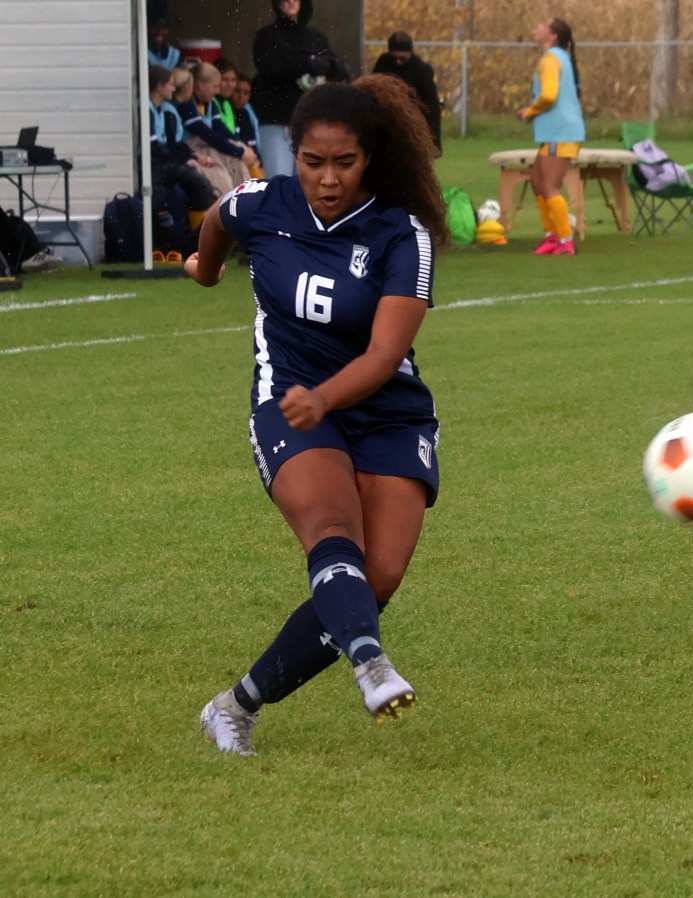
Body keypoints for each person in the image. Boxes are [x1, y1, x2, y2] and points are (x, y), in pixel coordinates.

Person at [186, 74, 449, 757]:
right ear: (291, 152)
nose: (328, 179)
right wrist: (206, 270)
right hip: (289, 401)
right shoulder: (261, 202)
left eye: (345, 163)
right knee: (332, 532)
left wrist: (327, 397)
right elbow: (217, 223)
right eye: (312, 161)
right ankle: (371, 664)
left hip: (385, 410)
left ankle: (233, 706)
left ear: (370, 159)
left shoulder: (401, 235)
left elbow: (386, 353)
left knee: (377, 577)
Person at [252, 0, 351, 178]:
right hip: (278, 122)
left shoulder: (316, 36)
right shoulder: (267, 36)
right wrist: (307, 63)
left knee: (308, 182)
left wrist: (327, 66)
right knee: (278, 181)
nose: (290, 1)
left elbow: (339, 69)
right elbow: (270, 69)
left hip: (311, 124)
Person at [516, 18, 585, 257]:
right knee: (537, 181)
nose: (537, 27)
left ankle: (566, 241)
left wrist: (530, 111)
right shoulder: (558, 56)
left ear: (553, 36)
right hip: (555, 133)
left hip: (561, 132)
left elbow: (548, 95)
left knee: (550, 186)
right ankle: (552, 236)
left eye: (542, 25)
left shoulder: (551, 59)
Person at [148, 65, 215, 236]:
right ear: (159, 86)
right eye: (170, 84)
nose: (173, 88)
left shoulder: (161, 109)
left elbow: (172, 145)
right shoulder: (147, 110)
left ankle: (195, 236)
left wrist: (191, 155)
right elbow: (154, 148)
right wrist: (179, 160)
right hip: (154, 167)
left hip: (162, 162)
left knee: (187, 190)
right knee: (199, 184)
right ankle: (199, 238)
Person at [176, 62, 258, 196]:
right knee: (222, 179)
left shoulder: (209, 104)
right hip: (193, 149)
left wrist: (242, 148)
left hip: (208, 148)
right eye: (215, 86)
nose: (217, 91)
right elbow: (206, 134)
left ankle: (249, 200)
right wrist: (238, 152)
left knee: (239, 166)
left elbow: (221, 130)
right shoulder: (187, 104)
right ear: (200, 86)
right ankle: (227, 206)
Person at [373, 31, 443, 152]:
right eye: (394, 58)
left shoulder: (422, 70)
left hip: (412, 126)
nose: (397, 62)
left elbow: (432, 105)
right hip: (387, 123)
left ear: (410, 53)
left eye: (402, 59)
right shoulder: (383, 63)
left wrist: (434, 141)